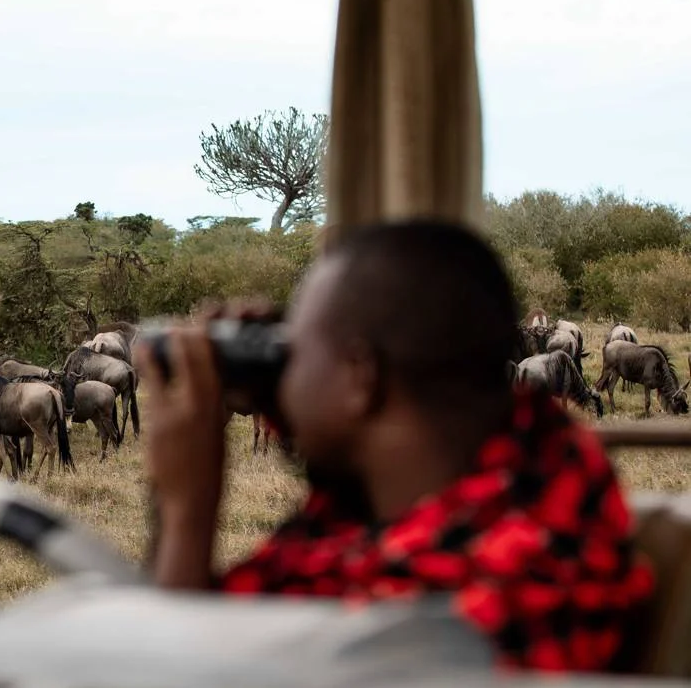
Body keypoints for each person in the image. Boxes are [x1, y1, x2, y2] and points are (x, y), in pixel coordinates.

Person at [136, 221, 652, 672]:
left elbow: (177, 670)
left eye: (299, 349)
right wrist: (304, 401)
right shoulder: (539, 473)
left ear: (361, 378)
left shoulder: (450, 614)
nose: (287, 369)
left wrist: (185, 509)